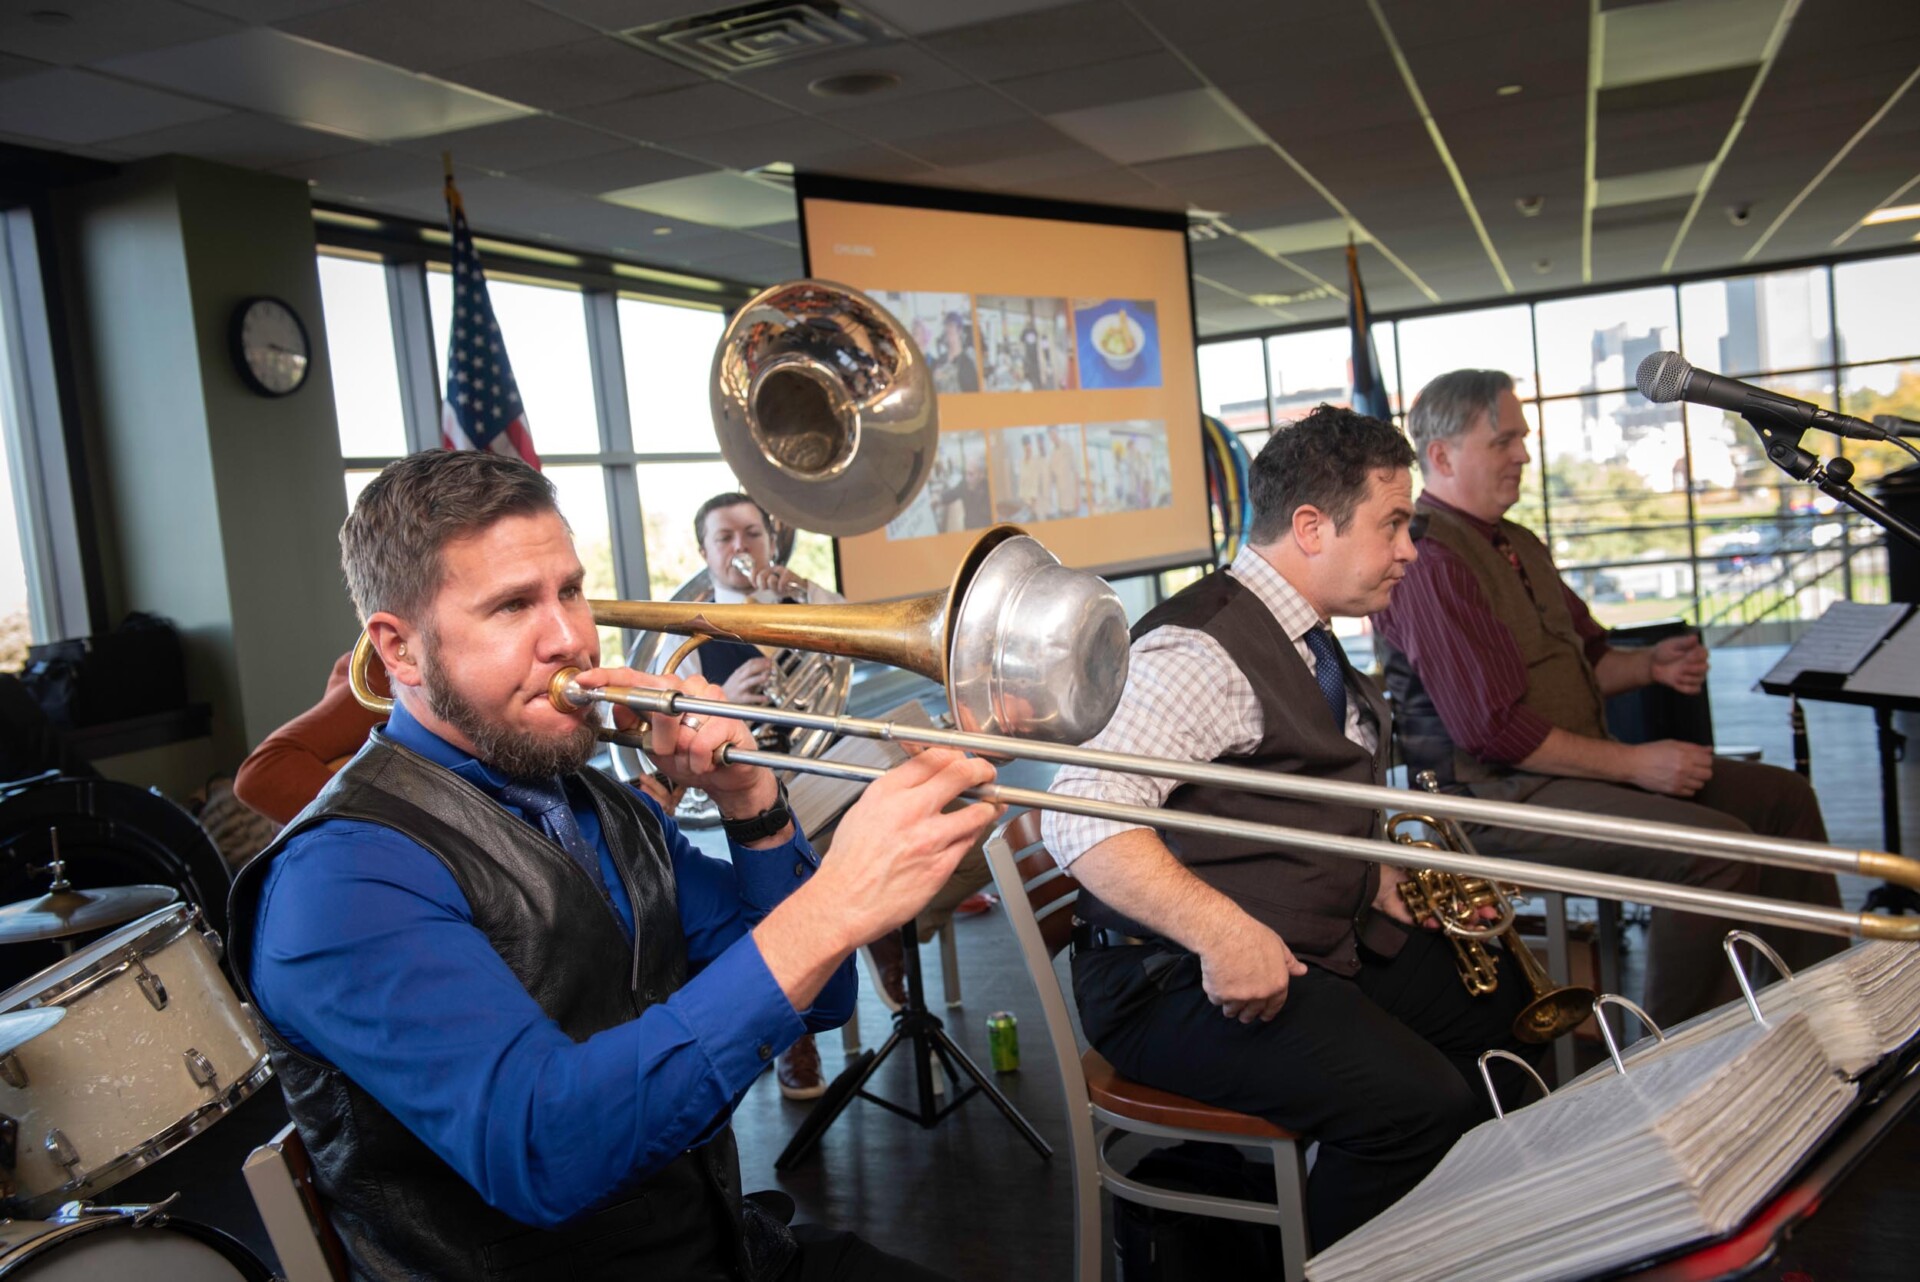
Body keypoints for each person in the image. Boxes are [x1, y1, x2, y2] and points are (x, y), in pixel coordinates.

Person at [227, 450, 999, 1281]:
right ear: (400, 651)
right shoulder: (338, 881)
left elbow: (823, 1000)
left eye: (569, 589)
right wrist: (839, 900)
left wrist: (753, 807)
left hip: (721, 1249)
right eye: (513, 605)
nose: (570, 637)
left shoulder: (598, 801)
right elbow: (546, 1148)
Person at [1046, 405, 1542, 1250]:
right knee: (1418, 1105)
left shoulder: (1304, 634)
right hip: (1168, 982)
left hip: (1309, 944)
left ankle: (1455, 1249)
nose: (1410, 551)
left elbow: (1284, 794)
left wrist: (1372, 877)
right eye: (1392, 525)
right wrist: (1220, 930)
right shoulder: (1199, 649)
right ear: (1312, 527)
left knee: (1510, 1018)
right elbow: (1079, 810)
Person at [1371, 369, 1842, 1029]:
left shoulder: (1517, 544)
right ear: (1442, 456)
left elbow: (1590, 660)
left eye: (1523, 439)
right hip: (1488, 799)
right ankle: (1679, 1062)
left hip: (1557, 777)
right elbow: (1492, 732)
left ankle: (1818, 1012)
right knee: (1716, 853)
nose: (1524, 455)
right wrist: (1637, 765)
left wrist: (1651, 666)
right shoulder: (1431, 561)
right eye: (1504, 440)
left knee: (1781, 800)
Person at [666, 492, 995, 1100]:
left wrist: (796, 587)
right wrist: (727, 705)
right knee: (834, 844)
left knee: (920, 781)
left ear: (772, 540)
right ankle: (805, 1021)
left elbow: (859, 627)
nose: (741, 548)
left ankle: (880, 931)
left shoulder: (802, 601)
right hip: (751, 796)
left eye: (752, 533)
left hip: (821, 771)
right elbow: (670, 738)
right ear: (705, 551)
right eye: (725, 538)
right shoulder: (682, 633)